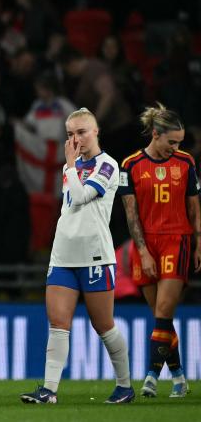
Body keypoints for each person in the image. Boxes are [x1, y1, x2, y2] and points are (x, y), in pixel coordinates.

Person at [20, 108, 134, 404]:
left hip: (95, 256)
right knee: (58, 323)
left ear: (96, 132)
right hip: (63, 256)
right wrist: (70, 166)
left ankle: (125, 385)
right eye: (70, 134)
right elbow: (70, 208)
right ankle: (49, 390)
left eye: (81, 132)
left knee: (104, 325)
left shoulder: (108, 165)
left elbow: (84, 197)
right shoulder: (70, 168)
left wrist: (70, 165)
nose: (75, 139)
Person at [119, 103, 200, 398]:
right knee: (159, 317)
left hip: (176, 239)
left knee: (164, 311)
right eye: (171, 142)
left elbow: (194, 206)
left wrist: (199, 242)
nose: (175, 147)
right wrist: (142, 252)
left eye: (179, 142)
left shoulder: (186, 162)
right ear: (155, 134)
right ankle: (178, 376)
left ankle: (152, 375)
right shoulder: (129, 166)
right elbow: (131, 215)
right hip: (146, 245)